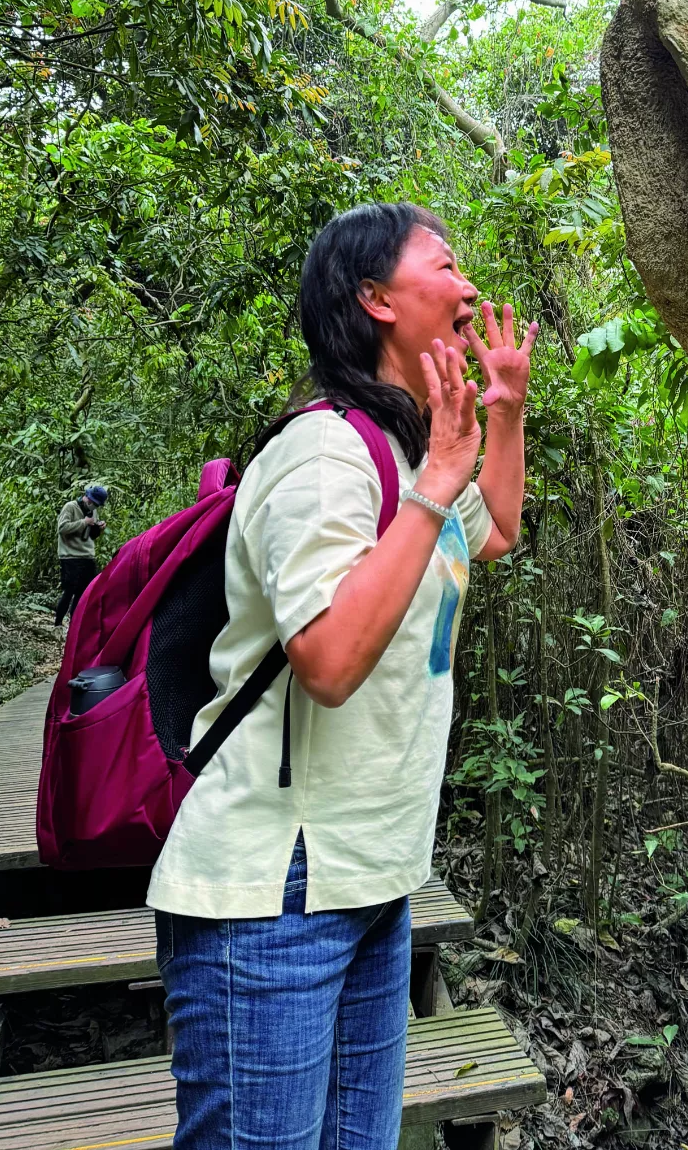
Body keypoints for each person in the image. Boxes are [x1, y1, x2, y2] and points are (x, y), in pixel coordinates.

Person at [147, 202, 539, 1150]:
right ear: (375, 299)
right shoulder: (324, 455)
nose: (470, 286)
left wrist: (503, 416)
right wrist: (439, 477)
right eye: (443, 266)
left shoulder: (409, 453)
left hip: (371, 879)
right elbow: (327, 663)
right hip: (273, 894)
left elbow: (494, 532)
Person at [54, 483, 107, 625]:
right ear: (87, 498)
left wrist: (98, 528)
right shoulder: (70, 507)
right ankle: (57, 624)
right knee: (69, 591)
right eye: (93, 503)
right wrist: (83, 522)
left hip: (87, 556)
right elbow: (62, 528)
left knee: (84, 593)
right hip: (70, 556)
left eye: (97, 505)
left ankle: (74, 625)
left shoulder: (93, 511)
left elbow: (90, 536)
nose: (94, 506)